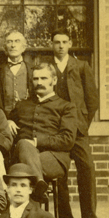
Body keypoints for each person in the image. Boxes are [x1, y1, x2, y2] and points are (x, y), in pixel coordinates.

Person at [48, 28, 107, 218]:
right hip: (56, 130)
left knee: (87, 168)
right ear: (51, 44)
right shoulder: (47, 68)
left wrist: (82, 123)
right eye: (57, 42)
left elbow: (93, 100)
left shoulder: (81, 66)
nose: (61, 46)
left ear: (70, 43)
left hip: (78, 130)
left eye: (64, 42)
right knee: (60, 174)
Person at [10, 63, 78, 209]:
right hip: (24, 155)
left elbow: (67, 140)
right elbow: (9, 131)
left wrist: (36, 141)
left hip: (54, 158)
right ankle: (38, 185)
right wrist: (8, 121)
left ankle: (35, 185)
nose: (39, 82)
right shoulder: (22, 106)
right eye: (35, 79)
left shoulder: (66, 107)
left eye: (43, 78)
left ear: (54, 80)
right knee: (23, 144)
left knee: (23, 161)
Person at [0, 30, 35, 116]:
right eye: (9, 42)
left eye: (17, 41)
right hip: (4, 118)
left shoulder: (32, 70)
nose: (13, 45)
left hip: (28, 117)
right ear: (5, 47)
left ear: (23, 47)